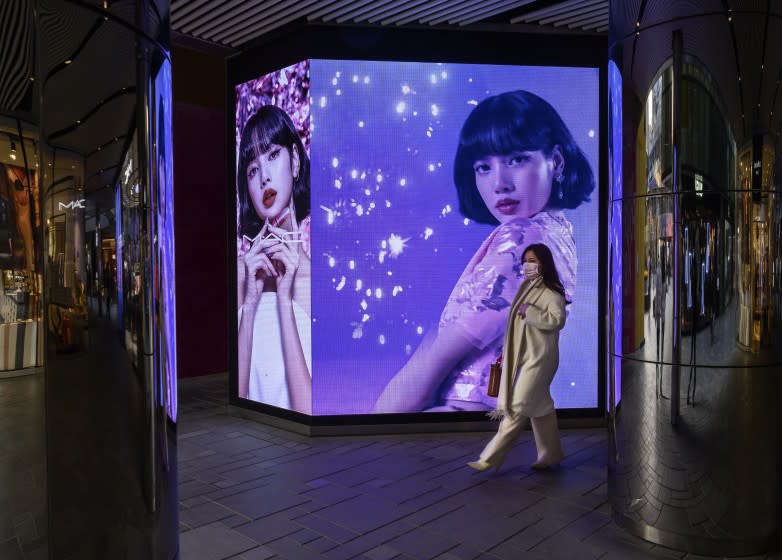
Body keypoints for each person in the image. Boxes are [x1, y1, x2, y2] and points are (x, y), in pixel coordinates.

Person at [372, 90, 594, 413]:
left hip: (463, 416)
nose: (499, 183)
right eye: (483, 167)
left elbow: (443, 354)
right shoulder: (558, 235)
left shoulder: (523, 237)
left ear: (556, 161)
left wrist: (381, 422)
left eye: (516, 159)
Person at [236, 105, 312, 414]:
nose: (264, 176)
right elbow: (235, 402)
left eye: (272, 155)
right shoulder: (240, 276)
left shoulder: (316, 281)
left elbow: (308, 412)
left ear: (294, 161)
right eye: (252, 170)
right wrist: (250, 306)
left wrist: (283, 301)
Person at [467, 243, 567, 471]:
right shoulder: (527, 288)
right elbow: (517, 328)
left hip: (540, 360)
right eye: (525, 261)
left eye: (533, 261)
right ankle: (550, 454)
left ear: (544, 263)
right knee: (541, 409)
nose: (528, 265)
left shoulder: (552, 293)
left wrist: (530, 312)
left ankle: (489, 459)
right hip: (528, 358)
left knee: (516, 407)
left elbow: (557, 320)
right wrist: (508, 351)